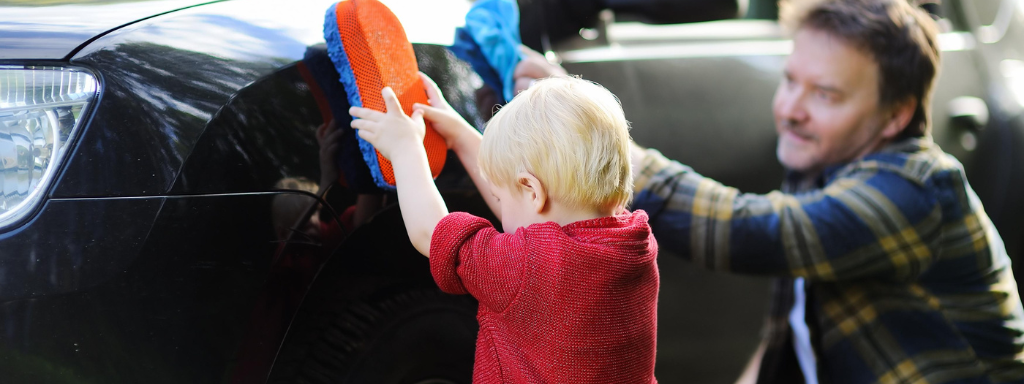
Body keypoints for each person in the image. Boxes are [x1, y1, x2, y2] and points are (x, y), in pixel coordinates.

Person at [619, 0, 1024, 382]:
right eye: (791, 81)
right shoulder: (821, 166)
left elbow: (751, 233)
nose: (790, 110)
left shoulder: (915, 189)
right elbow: (790, 332)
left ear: (895, 115)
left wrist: (612, 148)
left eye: (825, 95)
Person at [348, 75, 660, 383]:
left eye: (500, 198)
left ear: (531, 189)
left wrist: (404, 149)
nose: (500, 206)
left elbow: (431, 234)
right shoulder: (635, 243)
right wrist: (457, 135)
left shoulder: (526, 266)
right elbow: (538, 217)